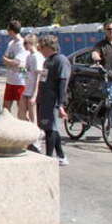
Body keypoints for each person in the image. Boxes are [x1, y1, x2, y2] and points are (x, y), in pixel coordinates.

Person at [36, 35, 70, 166]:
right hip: (44, 100)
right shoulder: (47, 61)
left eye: (42, 47)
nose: (40, 50)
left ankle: (48, 158)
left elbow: (62, 83)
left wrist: (60, 104)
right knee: (50, 128)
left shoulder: (61, 60)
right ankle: (61, 156)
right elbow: (43, 79)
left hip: (53, 101)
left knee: (50, 129)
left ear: (49, 47)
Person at [2, 20, 29, 115]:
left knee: (21, 110)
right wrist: (9, 61)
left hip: (20, 80)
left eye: (8, 29)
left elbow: (17, 63)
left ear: (11, 30)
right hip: (10, 80)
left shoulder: (22, 44)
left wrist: (8, 61)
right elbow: (5, 59)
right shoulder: (11, 43)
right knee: (5, 109)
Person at [19, 34, 45, 128]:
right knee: (21, 114)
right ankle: (28, 132)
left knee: (33, 116)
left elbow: (38, 76)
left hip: (32, 91)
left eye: (25, 43)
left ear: (31, 43)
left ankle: (35, 138)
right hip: (27, 89)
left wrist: (35, 94)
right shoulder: (29, 56)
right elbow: (25, 73)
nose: (24, 45)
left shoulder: (37, 57)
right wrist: (21, 69)